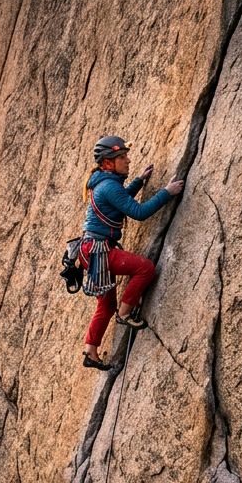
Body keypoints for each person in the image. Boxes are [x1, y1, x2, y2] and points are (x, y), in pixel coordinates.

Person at [81, 135, 184, 370]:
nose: (128, 160)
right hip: (99, 251)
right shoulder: (108, 185)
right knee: (145, 268)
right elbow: (138, 212)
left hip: (91, 251)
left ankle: (90, 351)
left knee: (106, 305)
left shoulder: (104, 183)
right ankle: (125, 314)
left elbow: (120, 201)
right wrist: (167, 192)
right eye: (122, 157)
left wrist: (138, 181)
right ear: (108, 163)